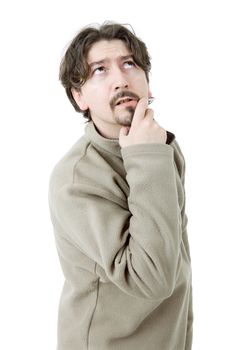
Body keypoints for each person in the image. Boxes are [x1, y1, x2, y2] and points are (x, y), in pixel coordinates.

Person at [48, 21, 193, 350]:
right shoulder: (75, 179)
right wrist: (145, 156)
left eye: (130, 64)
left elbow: (175, 256)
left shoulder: (161, 146)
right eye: (100, 70)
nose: (121, 78)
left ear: (148, 83)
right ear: (79, 96)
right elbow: (153, 279)